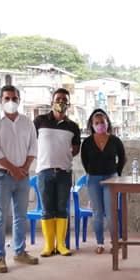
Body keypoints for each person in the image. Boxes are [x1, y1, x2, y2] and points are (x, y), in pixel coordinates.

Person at [0, 85, 39, 273]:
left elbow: (33, 147)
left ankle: (19, 252)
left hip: (23, 176)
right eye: (7, 98)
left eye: (14, 98)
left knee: (20, 216)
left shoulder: (27, 122)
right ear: (0, 101)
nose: (11, 102)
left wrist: (23, 169)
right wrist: (13, 169)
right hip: (2, 176)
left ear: (19, 100)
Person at [34, 88, 81, 257]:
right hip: (44, 172)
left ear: (68, 104)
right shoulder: (39, 121)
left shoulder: (73, 126)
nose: (61, 102)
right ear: (52, 102)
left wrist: (64, 154)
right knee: (47, 209)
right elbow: (30, 142)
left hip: (64, 173)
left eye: (64, 100)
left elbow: (76, 148)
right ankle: (48, 246)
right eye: (58, 99)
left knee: (62, 209)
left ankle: (61, 245)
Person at [80, 109, 126, 253]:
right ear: (92, 125)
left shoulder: (115, 140)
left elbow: (122, 158)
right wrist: (91, 172)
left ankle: (115, 243)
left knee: (111, 213)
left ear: (107, 123)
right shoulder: (87, 142)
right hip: (93, 180)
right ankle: (100, 243)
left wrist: (116, 174)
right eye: (97, 123)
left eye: (102, 122)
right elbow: (84, 160)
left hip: (111, 179)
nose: (100, 125)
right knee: (97, 213)